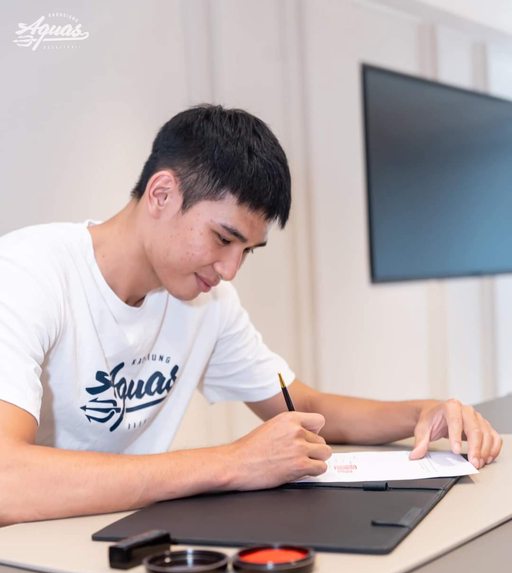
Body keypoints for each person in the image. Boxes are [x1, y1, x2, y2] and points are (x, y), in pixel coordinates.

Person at [0, 105, 502, 526]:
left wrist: (423, 414)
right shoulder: (27, 274)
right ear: (161, 194)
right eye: (223, 238)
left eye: (247, 252)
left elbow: (304, 405)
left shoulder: (208, 302)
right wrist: (231, 463)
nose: (230, 270)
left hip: (124, 534)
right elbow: (7, 480)